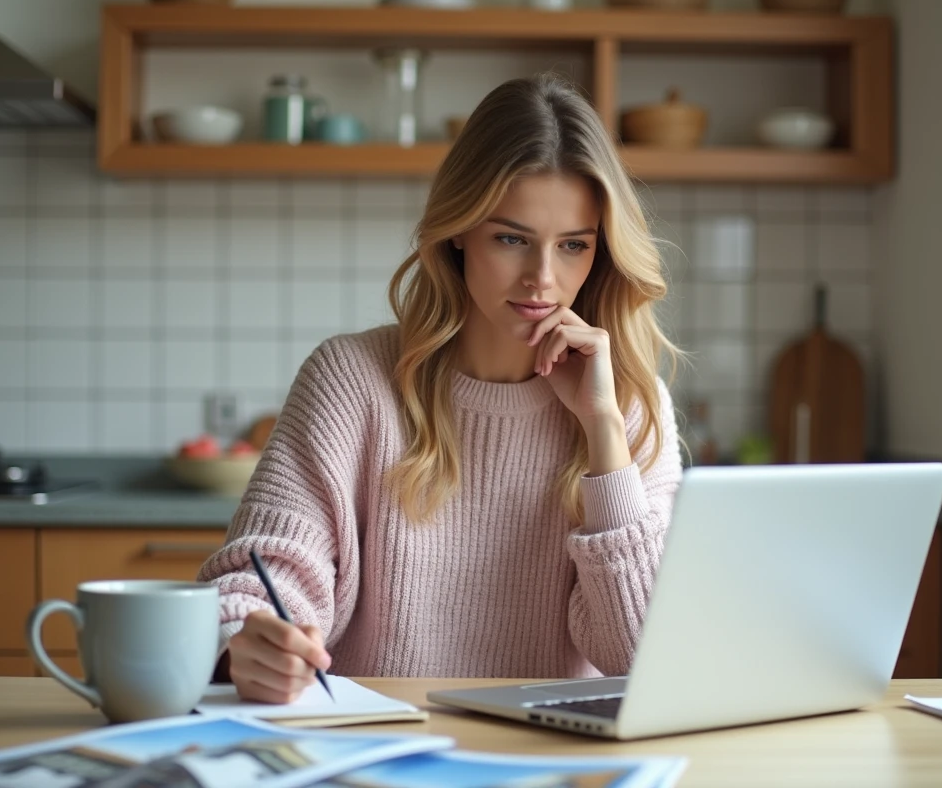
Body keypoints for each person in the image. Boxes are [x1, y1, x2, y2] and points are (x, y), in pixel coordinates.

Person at [197, 73, 684, 704]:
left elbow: (645, 657)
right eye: (511, 239)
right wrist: (251, 637)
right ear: (459, 229)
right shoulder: (351, 379)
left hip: (552, 749)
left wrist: (603, 430)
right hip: (379, 742)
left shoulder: (630, 405)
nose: (542, 278)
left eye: (572, 245)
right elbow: (265, 574)